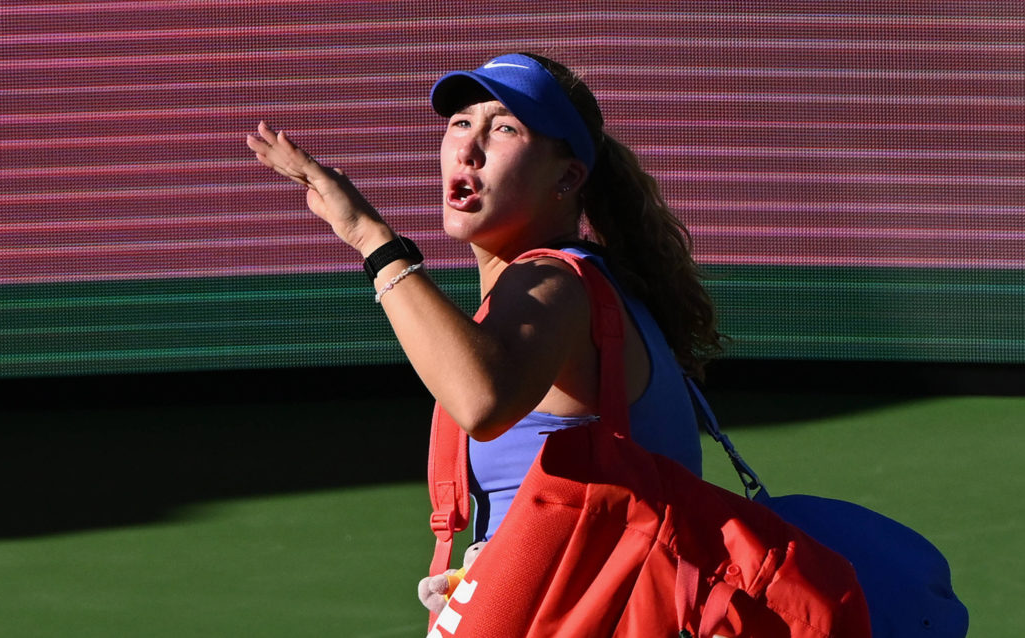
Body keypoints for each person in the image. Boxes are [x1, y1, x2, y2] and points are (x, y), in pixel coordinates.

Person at [246, 51, 723, 545]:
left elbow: (481, 402)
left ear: (567, 177)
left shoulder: (555, 281)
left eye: (505, 129)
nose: (468, 148)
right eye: (460, 122)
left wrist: (371, 239)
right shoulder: (580, 282)